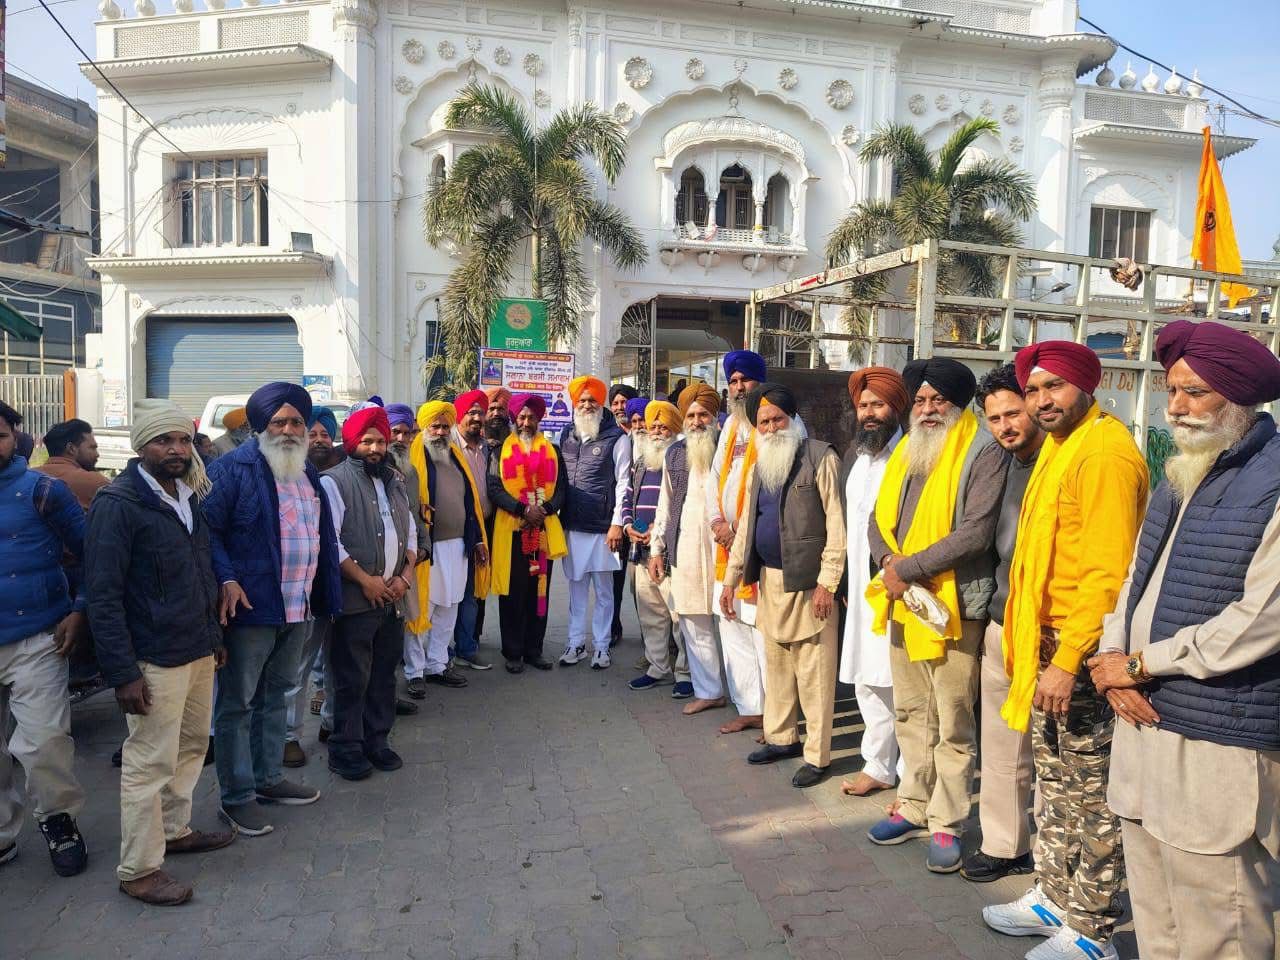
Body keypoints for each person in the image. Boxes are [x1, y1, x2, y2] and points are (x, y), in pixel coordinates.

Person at [1086, 321, 1280, 960]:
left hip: (1218, 736)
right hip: (1143, 725)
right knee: (1156, 915)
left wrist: (1141, 664)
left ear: (1238, 398)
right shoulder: (1180, 471)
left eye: (1195, 393)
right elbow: (1134, 580)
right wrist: (1110, 659)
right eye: (1172, 391)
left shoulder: (1273, 479)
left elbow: (1260, 618)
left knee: (1219, 922)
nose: (1176, 407)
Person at [984, 341, 1147, 960]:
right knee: (1054, 782)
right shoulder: (1061, 445)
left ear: (1085, 385)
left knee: (1093, 792)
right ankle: (1054, 897)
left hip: (1081, 651)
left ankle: (1093, 929)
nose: (1041, 401)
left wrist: (1066, 659)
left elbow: (1106, 575)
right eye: (1033, 389)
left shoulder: (1103, 452)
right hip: (1046, 641)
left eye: (1054, 386)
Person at [85, 400, 233, 905]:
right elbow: (103, 595)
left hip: (197, 649)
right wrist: (122, 673)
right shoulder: (118, 503)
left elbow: (201, 571)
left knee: (190, 748)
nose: (176, 449)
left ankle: (174, 830)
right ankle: (139, 869)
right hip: (153, 659)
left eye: (183, 440)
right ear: (141, 446)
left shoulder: (187, 495)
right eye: (163, 440)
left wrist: (214, 639)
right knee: (149, 763)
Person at [864, 358, 1007, 875]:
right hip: (904, 600)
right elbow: (877, 519)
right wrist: (889, 562)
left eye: (937, 400)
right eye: (920, 400)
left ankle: (948, 821)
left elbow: (976, 532)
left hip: (954, 605)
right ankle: (913, 805)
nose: (927, 409)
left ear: (958, 404)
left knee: (952, 719)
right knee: (910, 710)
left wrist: (907, 569)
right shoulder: (908, 447)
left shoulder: (983, 450)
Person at [202, 382, 341, 834]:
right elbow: (207, 532)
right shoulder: (231, 469)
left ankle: (268, 779)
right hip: (251, 609)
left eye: (296, 422)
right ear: (260, 426)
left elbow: (322, 537)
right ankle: (237, 797)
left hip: (297, 605)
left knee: (276, 695)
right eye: (278, 422)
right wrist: (226, 578)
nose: (288, 430)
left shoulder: (308, 473)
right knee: (238, 703)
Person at [721, 383, 845, 789]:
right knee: (776, 669)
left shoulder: (821, 457)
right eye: (764, 422)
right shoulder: (760, 467)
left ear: (793, 420)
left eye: (778, 419)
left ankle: (818, 756)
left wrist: (828, 582)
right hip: (770, 582)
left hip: (810, 586)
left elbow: (837, 526)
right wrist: (731, 579)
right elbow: (746, 529)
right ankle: (781, 738)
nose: (771, 428)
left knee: (814, 675)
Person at [961, 364, 1044, 883]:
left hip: (1051, 630)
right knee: (1000, 744)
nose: (1005, 426)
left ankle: (1055, 860)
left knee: (1051, 756)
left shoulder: (1064, 460)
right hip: (1002, 621)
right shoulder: (999, 461)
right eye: (994, 419)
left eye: (1013, 413)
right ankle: (1003, 843)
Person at [0, 400, 89, 878]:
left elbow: (94, 553)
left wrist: (80, 609)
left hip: (37, 636)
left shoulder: (44, 491)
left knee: (45, 741)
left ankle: (58, 819)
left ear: (16, 438)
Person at [320, 406, 416, 780]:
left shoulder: (393, 480)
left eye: (380, 441)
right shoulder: (334, 482)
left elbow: (410, 533)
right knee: (351, 678)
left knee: (384, 676)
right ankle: (345, 748)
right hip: (356, 600)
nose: (375, 448)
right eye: (367, 441)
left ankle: (377, 740)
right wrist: (365, 580)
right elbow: (330, 542)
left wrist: (405, 576)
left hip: (393, 597)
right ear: (352, 443)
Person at [837, 367, 908, 799]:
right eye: (863, 405)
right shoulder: (856, 456)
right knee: (866, 676)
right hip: (860, 587)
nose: (869, 413)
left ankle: (909, 774)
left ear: (895, 407)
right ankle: (878, 765)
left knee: (898, 680)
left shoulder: (910, 455)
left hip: (898, 585)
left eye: (878, 404)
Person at [403, 401, 488, 693]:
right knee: (422, 609)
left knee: (449, 606)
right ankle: (415, 671)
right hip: (428, 549)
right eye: (435, 426)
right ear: (424, 428)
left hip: (458, 546)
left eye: (444, 426)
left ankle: (437, 664)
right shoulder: (414, 458)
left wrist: (477, 540)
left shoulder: (456, 456)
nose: (440, 432)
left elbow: (471, 503)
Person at [650, 385, 725, 716]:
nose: (696, 422)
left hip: (724, 548)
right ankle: (709, 691)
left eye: (703, 414)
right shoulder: (675, 454)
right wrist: (656, 549)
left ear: (715, 417)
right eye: (691, 415)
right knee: (693, 622)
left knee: (731, 624)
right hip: (686, 548)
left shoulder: (728, 448)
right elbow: (664, 505)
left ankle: (747, 697)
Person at [707, 350, 771, 732]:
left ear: (759, 382)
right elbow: (716, 478)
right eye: (733, 381)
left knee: (761, 631)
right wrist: (718, 522)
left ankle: (774, 714)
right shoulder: (730, 424)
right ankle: (749, 707)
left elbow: (770, 490)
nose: (738, 386)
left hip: (757, 546)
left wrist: (739, 532)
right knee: (731, 623)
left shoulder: (774, 421)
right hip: (725, 546)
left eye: (744, 379)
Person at [487, 394, 567, 673]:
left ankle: (534, 650)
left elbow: (561, 489)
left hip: (543, 529)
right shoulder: (499, 451)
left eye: (531, 417)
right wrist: (523, 510)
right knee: (514, 593)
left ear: (538, 420)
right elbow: (494, 489)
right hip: (512, 530)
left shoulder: (553, 451)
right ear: (514, 419)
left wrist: (544, 509)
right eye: (521, 417)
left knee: (539, 591)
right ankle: (513, 652)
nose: (526, 422)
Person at [558, 375, 630, 670]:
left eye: (592, 401)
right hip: (573, 525)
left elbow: (624, 483)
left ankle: (601, 646)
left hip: (603, 529)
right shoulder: (566, 435)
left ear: (601, 404)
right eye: (582, 400)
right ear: (575, 404)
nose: (587, 405)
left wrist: (617, 523)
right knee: (576, 589)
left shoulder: (617, 438)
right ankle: (575, 643)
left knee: (603, 592)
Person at [623, 400, 687, 693]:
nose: (657, 432)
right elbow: (627, 498)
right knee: (651, 616)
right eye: (653, 427)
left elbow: (683, 505)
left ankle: (685, 674)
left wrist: (657, 532)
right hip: (640, 552)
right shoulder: (640, 463)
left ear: (674, 429)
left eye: (664, 427)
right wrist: (628, 526)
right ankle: (658, 668)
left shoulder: (682, 462)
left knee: (679, 617)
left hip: (671, 550)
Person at [451, 390, 494, 671]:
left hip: (485, 528)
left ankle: (466, 648)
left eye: (480, 413)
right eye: (471, 412)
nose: (477, 418)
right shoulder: (449, 447)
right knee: (451, 593)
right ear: (460, 416)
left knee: (473, 591)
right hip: (457, 529)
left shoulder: (487, 448)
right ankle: (441, 651)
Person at [608, 383, 641, 646]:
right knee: (614, 579)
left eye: (624, 402)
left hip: (641, 521)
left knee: (642, 583)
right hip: (618, 519)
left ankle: (652, 638)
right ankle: (613, 627)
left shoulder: (646, 433)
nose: (620, 408)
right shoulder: (609, 436)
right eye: (616, 403)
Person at [37, 419, 109, 511]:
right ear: (71, 448)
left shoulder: (28, 478)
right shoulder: (97, 483)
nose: (97, 454)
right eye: (92, 448)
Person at [306, 407, 345, 472]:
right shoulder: (295, 469)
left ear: (331, 438)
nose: (319, 440)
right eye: (312, 435)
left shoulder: (344, 466)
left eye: (325, 435)